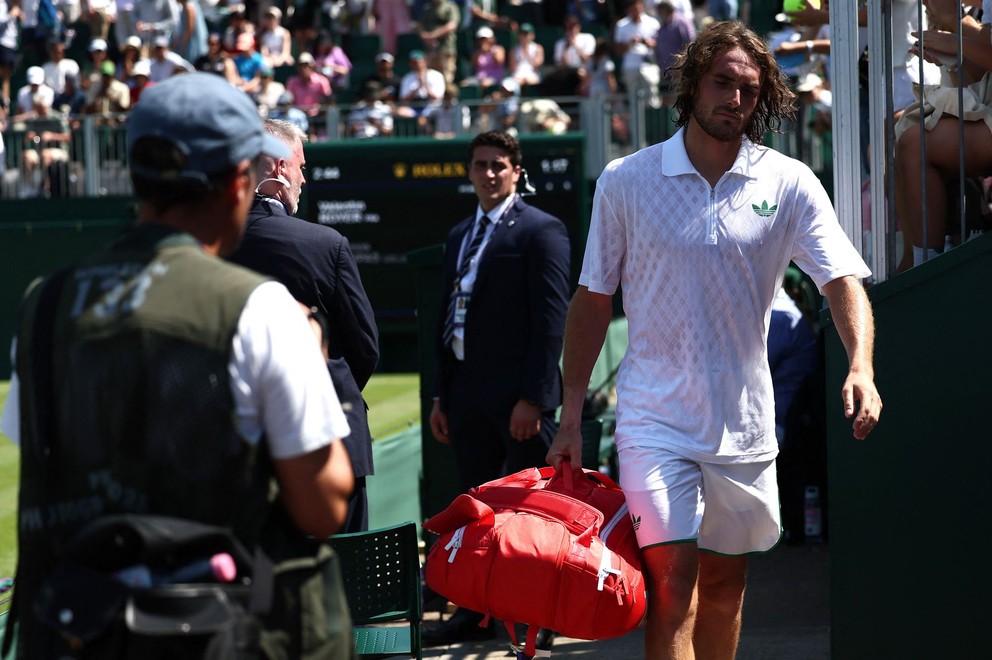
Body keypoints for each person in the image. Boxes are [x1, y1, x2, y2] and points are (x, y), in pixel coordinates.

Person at [545, 21, 882, 660]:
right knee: (674, 591)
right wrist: (569, 414)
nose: (734, 99)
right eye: (722, 83)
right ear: (692, 85)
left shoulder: (790, 182)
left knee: (725, 588)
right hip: (652, 420)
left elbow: (841, 278)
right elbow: (592, 300)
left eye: (749, 91)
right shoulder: (624, 180)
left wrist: (860, 364)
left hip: (746, 423)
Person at [0, 72, 356, 658]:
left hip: (78, 634)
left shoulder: (45, 302)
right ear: (239, 181)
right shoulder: (262, 307)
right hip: (222, 631)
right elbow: (323, 506)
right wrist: (314, 364)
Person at [425, 130, 570, 648]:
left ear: (515, 170)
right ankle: (476, 611)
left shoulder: (541, 230)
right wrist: (442, 396)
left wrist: (534, 397)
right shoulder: (461, 233)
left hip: (518, 403)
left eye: (499, 165)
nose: (489, 173)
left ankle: (537, 616)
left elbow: (551, 321)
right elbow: (447, 315)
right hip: (465, 398)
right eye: (481, 164)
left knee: (533, 515)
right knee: (474, 513)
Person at [228, 117, 380, 534]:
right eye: (301, 167)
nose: (303, 180)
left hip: (237, 449)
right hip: (332, 442)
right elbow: (363, 348)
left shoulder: (209, 246)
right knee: (350, 576)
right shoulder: (327, 244)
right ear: (279, 168)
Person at [614, 0, 661, 107]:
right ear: (628, 9)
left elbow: (660, 45)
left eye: (638, 5)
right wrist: (629, 43)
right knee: (634, 101)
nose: (636, 8)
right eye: (633, 6)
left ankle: (652, 123)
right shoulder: (621, 25)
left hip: (650, 65)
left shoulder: (653, 23)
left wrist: (650, 43)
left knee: (652, 99)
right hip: (630, 67)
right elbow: (617, 50)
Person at [417, 0, 461, 84]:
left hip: (445, 48)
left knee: (446, 79)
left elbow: (452, 25)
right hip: (429, 49)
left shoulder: (450, 7)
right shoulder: (427, 8)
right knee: (429, 78)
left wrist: (433, 35)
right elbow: (420, 24)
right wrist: (424, 35)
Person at [285, 51, 332, 117]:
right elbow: (288, 101)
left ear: (312, 67)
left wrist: (317, 109)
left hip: (318, 118)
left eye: (306, 66)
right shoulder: (292, 82)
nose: (304, 69)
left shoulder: (322, 81)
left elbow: (328, 101)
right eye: (301, 66)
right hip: (296, 117)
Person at [508, 22, 543, 87]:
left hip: (533, 75)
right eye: (522, 34)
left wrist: (527, 52)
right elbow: (512, 68)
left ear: (532, 35)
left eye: (526, 34)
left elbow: (538, 66)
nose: (524, 36)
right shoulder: (514, 50)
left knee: (532, 81)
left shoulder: (538, 48)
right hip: (517, 76)